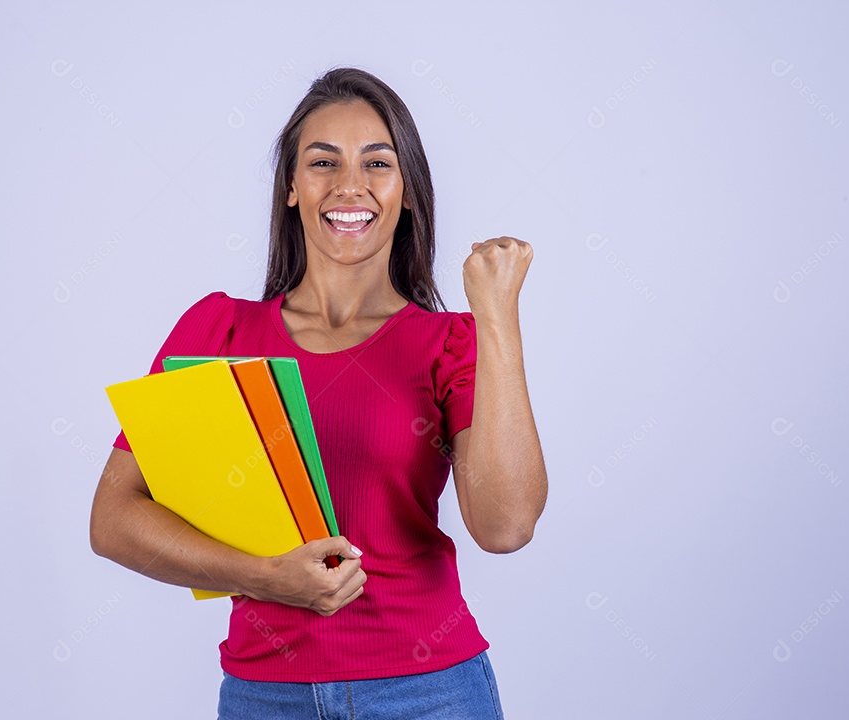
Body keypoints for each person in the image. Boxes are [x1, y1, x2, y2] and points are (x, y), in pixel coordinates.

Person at [89, 66, 547, 719]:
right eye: (323, 161)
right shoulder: (219, 330)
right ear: (292, 189)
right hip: (263, 696)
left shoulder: (451, 343)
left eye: (378, 163)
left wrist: (496, 316)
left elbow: (506, 526)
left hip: (430, 692)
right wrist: (264, 577)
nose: (349, 185)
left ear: (409, 191)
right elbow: (114, 518)